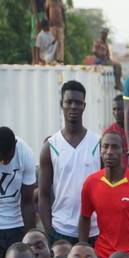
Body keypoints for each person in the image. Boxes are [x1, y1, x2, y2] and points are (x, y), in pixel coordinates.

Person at [38, 80, 100, 242]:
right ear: (61, 104)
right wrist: (49, 229)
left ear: (84, 106)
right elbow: (43, 194)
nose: (73, 106)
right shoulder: (50, 146)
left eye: (78, 103)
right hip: (60, 230)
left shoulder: (97, 144)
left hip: (93, 230)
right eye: (69, 102)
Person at [77, 130, 129, 258]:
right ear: (100, 151)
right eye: (105, 146)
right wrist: (83, 248)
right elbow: (84, 217)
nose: (109, 152)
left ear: (123, 151)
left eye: (114, 147)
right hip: (102, 256)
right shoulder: (91, 183)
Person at [0, 128, 37, 250]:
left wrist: (29, 239)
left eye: (8, 157)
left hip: (16, 224)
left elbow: (27, 202)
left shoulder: (25, 153)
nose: (5, 162)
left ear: (15, 145)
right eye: (1, 158)